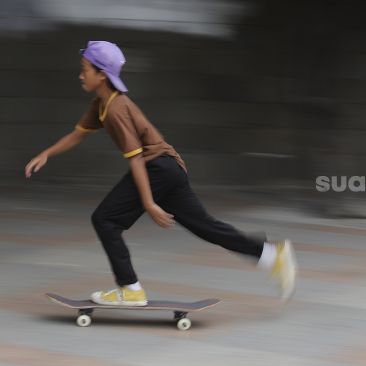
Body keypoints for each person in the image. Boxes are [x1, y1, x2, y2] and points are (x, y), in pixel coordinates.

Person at [25, 41, 297, 306]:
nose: (80, 74)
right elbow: (78, 135)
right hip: (168, 167)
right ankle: (272, 256)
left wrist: (148, 203)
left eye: (85, 68)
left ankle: (130, 289)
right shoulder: (101, 104)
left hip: (157, 168)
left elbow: (136, 160)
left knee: (105, 219)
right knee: (206, 227)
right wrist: (47, 153)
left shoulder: (117, 108)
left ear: (102, 74)